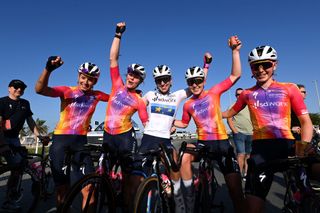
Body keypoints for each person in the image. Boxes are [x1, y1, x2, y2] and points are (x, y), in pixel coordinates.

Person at [222, 45, 313, 213]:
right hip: (261, 150)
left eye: (266, 64)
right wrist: (214, 114)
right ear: (251, 68)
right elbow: (229, 112)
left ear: (274, 65)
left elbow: (306, 122)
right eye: (256, 66)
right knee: (253, 208)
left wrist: (303, 146)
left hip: (288, 145)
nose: (261, 70)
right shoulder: (246, 94)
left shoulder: (290, 88)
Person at [174, 36, 245, 213]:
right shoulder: (188, 104)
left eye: (198, 80)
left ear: (204, 81)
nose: (195, 84)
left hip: (222, 144)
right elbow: (183, 123)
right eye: (191, 82)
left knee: (235, 190)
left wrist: (235, 52)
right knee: (183, 156)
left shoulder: (214, 92)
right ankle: (190, 198)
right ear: (188, 84)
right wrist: (168, 122)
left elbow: (235, 75)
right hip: (203, 144)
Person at [138, 53, 212, 212]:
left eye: (165, 79)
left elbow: (196, 81)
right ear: (156, 82)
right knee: (140, 176)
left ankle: (178, 201)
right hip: (148, 138)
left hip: (165, 139)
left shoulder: (177, 96)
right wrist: (144, 121)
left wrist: (206, 66)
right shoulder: (150, 95)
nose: (163, 82)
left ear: (171, 80)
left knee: (174, 168)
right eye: (159, 80)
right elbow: (136, 105)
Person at [35, 57, 109, 207]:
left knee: (90, 189)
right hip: (61, 141)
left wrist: (132, 92)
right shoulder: (67, 91)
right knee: (63, 190)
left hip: (81, 142)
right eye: (83, 77)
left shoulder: (97, 95)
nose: (85, 82)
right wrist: (48, 69)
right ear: (78, 76)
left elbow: (115, 98)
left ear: (95, 82)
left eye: (90, 79)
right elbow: (40, 90)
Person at [103, 22, 148, 212]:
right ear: (127, 74)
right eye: (131, 74)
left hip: (125, 138)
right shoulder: (117, 85)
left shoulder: (139, 100)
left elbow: (146, 122)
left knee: (128, 176)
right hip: (107, 134)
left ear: (140, 81)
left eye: (136, 76)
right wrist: (118, 34)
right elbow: (113, 59)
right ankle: (107, 200)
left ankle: (127, 205)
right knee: (104, 175)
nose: (132, 78)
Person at [0, 79, 42, 211]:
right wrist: (2, 144)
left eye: (22, 88)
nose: (19, 89)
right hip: (1, 137)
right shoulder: (2, 102)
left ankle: (9, 199)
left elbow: (30, 121)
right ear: (9, 88)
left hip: (14, 139)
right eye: (16, 87)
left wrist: (38, 135)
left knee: (17, 169)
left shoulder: (25, 103)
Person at [227, 88, 253, 180]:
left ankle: (246, 173)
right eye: (237, 94)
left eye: (241, 94)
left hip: (251, 133)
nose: (239, 96)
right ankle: (239, 174)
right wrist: (234, 130)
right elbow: (229, 118)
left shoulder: (250, 104)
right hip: (239, 133)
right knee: (241, 154)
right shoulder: (233, 105)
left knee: (248, 155)